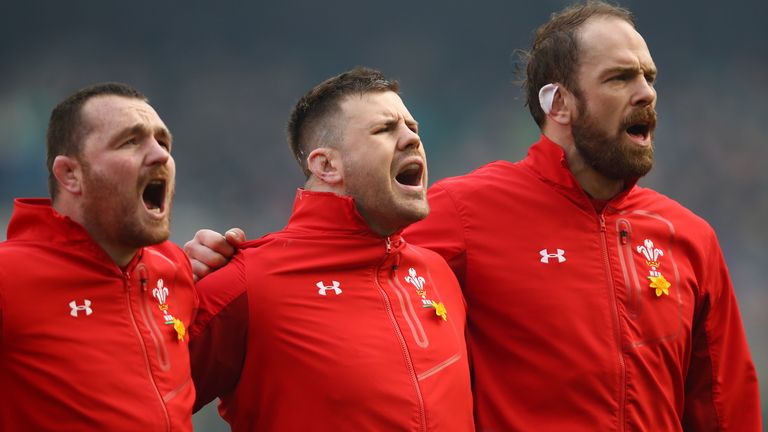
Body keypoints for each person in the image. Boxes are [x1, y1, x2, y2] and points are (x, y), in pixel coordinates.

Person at [187, 2, 762, 431]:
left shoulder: (690, 236)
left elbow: (723, 405)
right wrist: (228, 257)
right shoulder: (464, 211)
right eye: (620, 78)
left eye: (649, 78)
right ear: (557, 104)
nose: (646, 93)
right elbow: (343, 244)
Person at [187, 67, 473, 431]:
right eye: (384, 130)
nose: (411, 140)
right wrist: (157, 282)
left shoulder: (436, 271)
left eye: (412, 129)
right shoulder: (248, 283)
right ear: (326, 165)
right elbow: (135, 401)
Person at [0, 83, 197, 430]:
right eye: (130, 142)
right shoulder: (9, 277)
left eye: (163, 142)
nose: (160, 155)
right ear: (70, 174)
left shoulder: (174, 267)